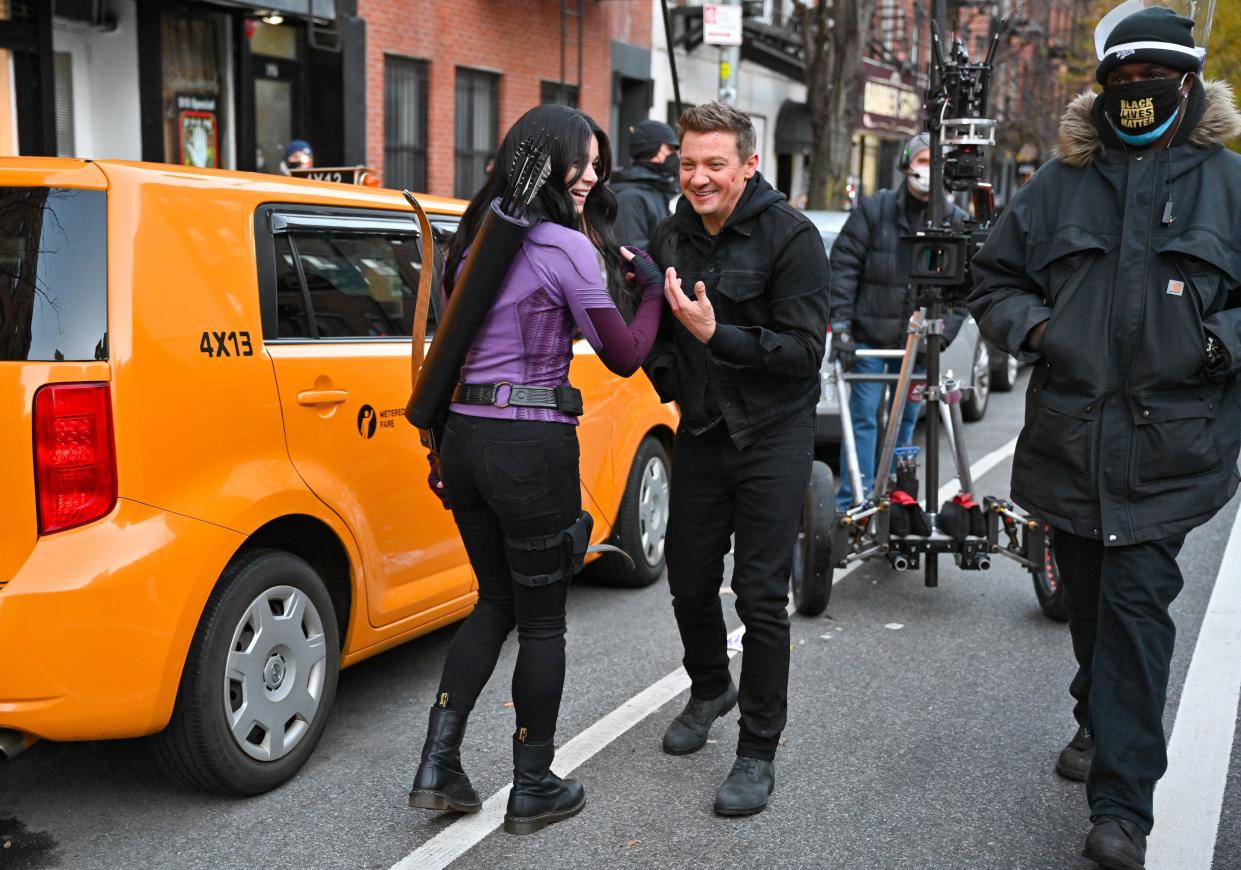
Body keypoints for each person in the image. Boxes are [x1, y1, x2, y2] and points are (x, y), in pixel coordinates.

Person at [967, 7, 1241, 868]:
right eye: (1119, 80)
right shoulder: (1056, 186)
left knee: (1133, 617)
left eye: (1151, 77)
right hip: (1067, 447)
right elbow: (992, 281)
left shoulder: (1230, 184)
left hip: (1171, 455)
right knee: (1086, 612)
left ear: (1188, 81)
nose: (1136, 92)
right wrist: (1042, 332)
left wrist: (1213, 341)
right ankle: (1095, 709)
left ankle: (1121, 809)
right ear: (1102, 86)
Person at [407, 104, 665, 835]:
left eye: (595, 164)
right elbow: (622, 353)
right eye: (578, 162)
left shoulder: (473, 240)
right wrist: (648, 293)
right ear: (542, 163)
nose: (589, 176)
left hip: (464, 438)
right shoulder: (563, 246)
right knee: (543, 621)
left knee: (494, 600)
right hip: (530, 444)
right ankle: (533, 783)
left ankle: (438, 765)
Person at [644, 102, 830, 817]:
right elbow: (659, 333)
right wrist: (669, 376)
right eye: (688, 163)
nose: (698, 177)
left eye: (714, 164)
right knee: (688, 582)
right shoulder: (671, 232)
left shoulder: (792, 238)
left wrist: (718, 335)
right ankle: (709, 686)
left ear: (748, 164)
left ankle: (757, 751)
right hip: (699, 434)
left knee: (759, 597)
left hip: (772, 435)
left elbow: (804, 353)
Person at [827, 132, 969, 509]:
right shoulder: (875, 211)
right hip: (870, 340)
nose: (926, 170)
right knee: (863, 421)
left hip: (919, 347)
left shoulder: (955, 221)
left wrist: (942, 338)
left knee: (904, 424)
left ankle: (894, 498)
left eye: (933, 162)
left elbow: (965, 292)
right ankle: (853, 502)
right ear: (907, 165)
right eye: (920, 161)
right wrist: (841, 328)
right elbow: (843, 268)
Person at [611, 119, 679, 249]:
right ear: (653, 150)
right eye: (670, 149)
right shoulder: (630, 198)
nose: (675, 156)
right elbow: (634, 257)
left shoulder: (656, 191)